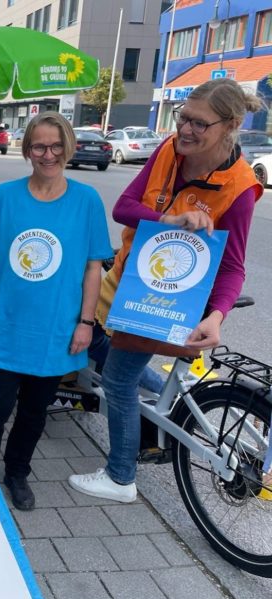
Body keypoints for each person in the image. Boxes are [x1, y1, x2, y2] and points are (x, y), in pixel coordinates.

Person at [68, 79, 264, 503]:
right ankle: (170, 396)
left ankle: (120, 477)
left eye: (199, 123)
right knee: (94, 335)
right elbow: (124, 207)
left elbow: (232, 267)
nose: (186, 130)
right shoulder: (169, 150)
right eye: (183, 118)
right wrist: (173, 220)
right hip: (127, 278)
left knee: (119, 381)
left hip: (174, 297)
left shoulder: (239, 188)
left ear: (229, 125)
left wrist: (216, 316)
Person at [0, 111, 113, 511]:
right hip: (6, 327)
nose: (48, 154)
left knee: (34, 415)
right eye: (39, 146)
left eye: (55, 146)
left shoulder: (86, 201)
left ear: (68, 147)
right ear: (27, 149)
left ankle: (17, 472)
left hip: (57, 332)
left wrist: (86, 323)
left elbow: (92, 269)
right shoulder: (5, 197)